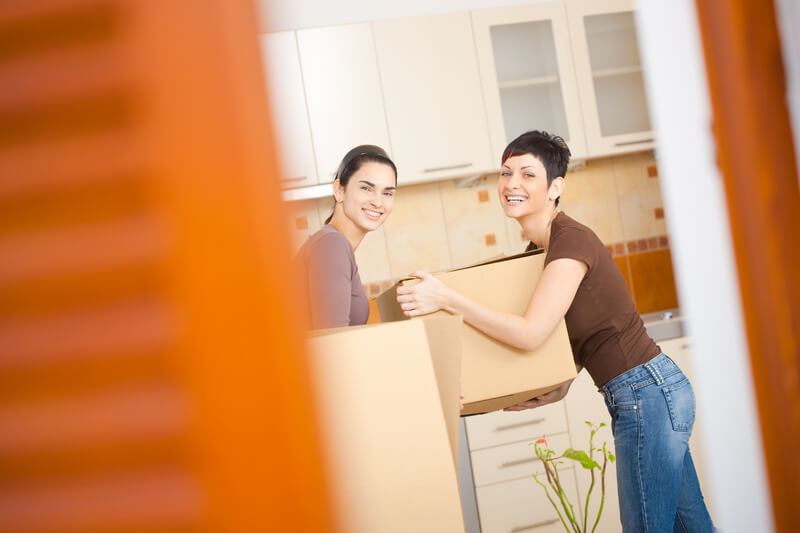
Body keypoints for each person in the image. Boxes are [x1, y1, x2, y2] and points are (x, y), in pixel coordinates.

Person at [396, 131, 714, 532]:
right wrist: (562, 380)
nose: (512, 184)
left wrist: (448, 297)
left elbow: (530, 333)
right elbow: (584, 328)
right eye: (506, 172)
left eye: (528, 174)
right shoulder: (540, 251)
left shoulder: (569, 242)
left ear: (555, 186)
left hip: (646, 393)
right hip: (647, 392)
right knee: (692, 526)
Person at [296, 144, 397, 329]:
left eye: (388, 193)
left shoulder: (331, 243)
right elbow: (335, 340)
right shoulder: (331, 245)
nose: (378, 202)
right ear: (339, 190)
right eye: (366, 188)